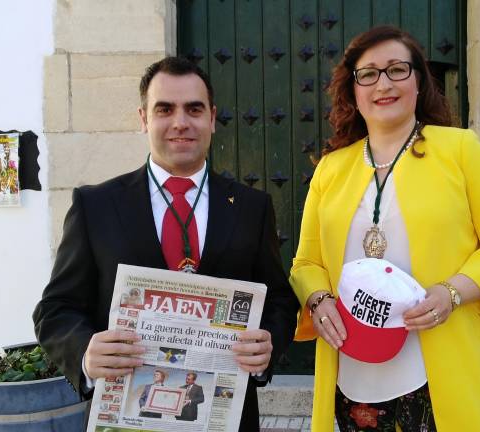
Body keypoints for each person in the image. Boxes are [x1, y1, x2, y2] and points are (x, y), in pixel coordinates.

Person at [33, 56, 299, 431]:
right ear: (143, 118)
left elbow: (280, 301)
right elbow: (55, 309)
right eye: (164, 109)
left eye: (194, 109)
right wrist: (85, 353)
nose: (180, 122)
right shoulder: (95, 206)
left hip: (226, 418)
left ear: (212, 118)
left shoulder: (252, 207)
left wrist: (267, 345)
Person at [289, 26, 480, 431]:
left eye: (397, 70)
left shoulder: (461, 151)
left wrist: (452, 291)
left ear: (419, 82)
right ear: (353, 91)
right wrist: (318, 299)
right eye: (368, 74)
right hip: (356, 374)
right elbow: (306, 262)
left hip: (443, 368)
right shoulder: (331, 170)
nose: (383, 83)